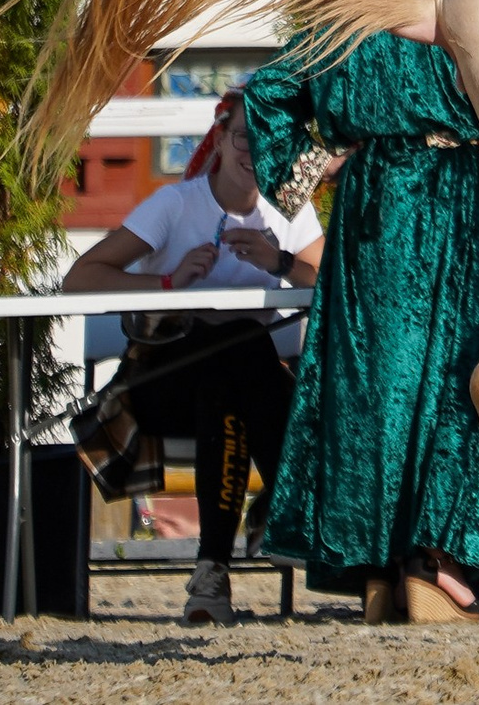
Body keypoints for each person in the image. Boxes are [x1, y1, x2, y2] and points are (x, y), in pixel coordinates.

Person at [247, 0, 479, 624]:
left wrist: (302, 172)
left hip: (368, 200)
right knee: (453, 376)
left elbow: (267, 89)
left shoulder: (349, 11)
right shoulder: (461, 7)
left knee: (369, 380)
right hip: (445, 194)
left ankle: (376, 568)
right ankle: (434, 561)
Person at [64, 91, 322, 624]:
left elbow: (332, 282)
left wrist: (280, 260)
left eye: (269, 138)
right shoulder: (176, 204)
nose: (256, 149)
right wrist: (168, 281)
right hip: (161, 382)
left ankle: (212, 575)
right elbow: (81, 278)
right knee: (240, 349)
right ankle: (283, 507)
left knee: (228, 382)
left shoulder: (290, 213)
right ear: (222, 140)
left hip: (236, 398)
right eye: (246, 136)